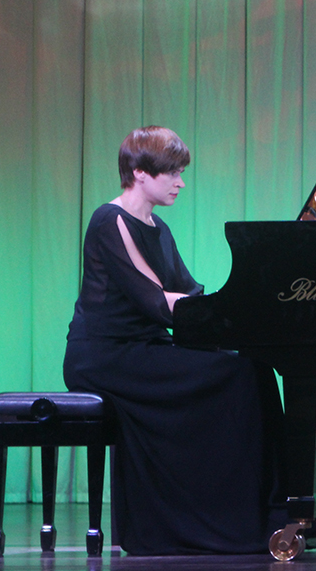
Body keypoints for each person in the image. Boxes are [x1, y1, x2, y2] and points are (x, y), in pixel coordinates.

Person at [63, 126, 285, 555]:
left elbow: (188, 292)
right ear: (140, 173)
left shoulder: (158, 227)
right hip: (105, 355)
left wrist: (239, 312)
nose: (180, 182)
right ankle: (221, 522)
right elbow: (154, 300)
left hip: (143, 347)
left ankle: (267, 513)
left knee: (252, 367)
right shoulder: (109, 220)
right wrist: (222, 317)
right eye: (173, 173)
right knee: (236, 374)